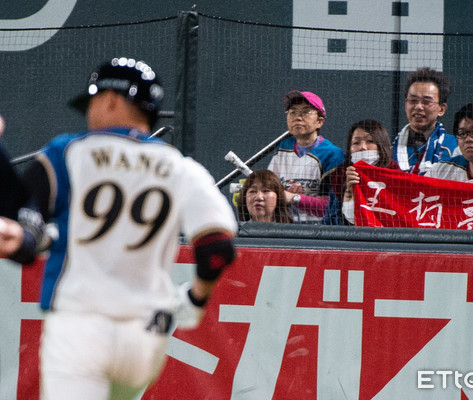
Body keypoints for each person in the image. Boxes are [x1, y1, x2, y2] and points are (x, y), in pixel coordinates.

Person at [0, 57, 238, 400]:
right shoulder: (180, 167)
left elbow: (24, 220)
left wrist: (22, 238)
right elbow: (217, 249)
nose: (89, 113)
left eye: (93, 101)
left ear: (111, 99)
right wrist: (195, 300)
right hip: (145, 336)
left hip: (80, 326)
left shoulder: (69, 152)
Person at [267, 90, 345, 223]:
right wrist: (284, 191)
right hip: (283, 228)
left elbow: (334, 206)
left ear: (319, 121)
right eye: (292, 112)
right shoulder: (283, 148)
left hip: (321, 232)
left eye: (305, 112)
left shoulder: (333, 155)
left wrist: (295, 198)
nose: (297, 117)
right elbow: (270, 190)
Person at [321, 119, 399, 225]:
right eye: (356, 143)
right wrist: (348, 191)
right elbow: (329, 220)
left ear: (381, 145)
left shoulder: (396, 175)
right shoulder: (339, 175)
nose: (362, 147)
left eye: (370, 141)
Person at [391, 67, 457, 175]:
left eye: (426, 102)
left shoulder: (454, 148)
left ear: (442, 109)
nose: (418, 107)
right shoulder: (390, 151)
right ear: (405, 104)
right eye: (413, 100)